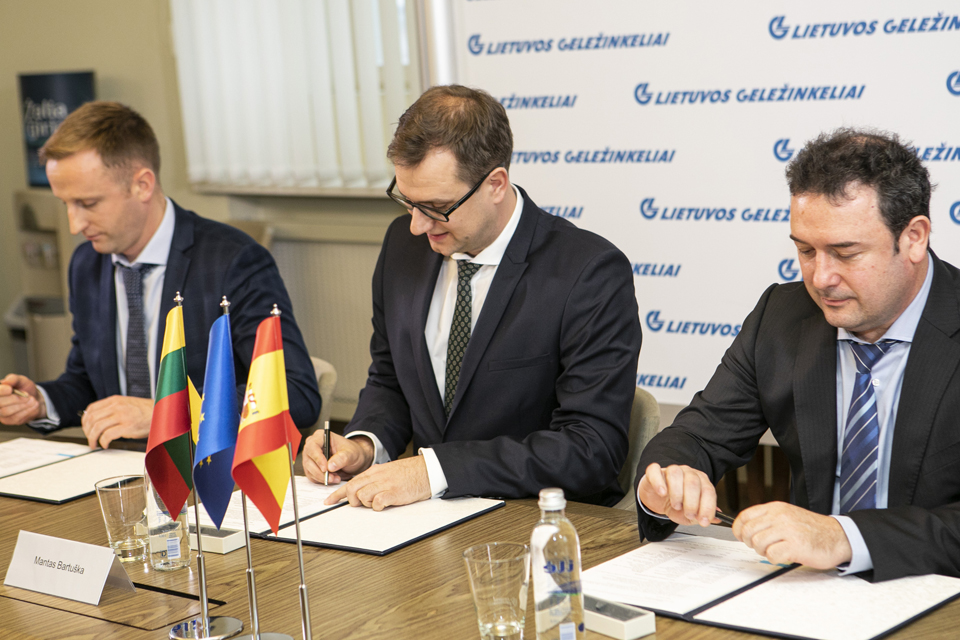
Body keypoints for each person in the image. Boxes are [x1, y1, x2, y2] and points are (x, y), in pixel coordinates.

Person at [636, 127, 960, 582]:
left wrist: (844, 538)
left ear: (914, 237)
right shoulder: (782, 316)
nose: (821, 277)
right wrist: (667, 479)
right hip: (806, 592)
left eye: (845, 252)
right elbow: (699, 436)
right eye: (806, 250)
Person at [302, 85, 642, 510]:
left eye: (437, 206)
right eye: (407, 201)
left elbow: (591, 448)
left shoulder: (587, 272)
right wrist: (364, 445)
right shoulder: (403, 246)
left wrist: (435, 471)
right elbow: (391, 379)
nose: (417, 225)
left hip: (539, 520)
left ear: (495, 184)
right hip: (423, 518)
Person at [0, 101, 320, 448]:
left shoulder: (233, 260)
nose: (74, 225)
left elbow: (294, 392)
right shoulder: (87, 265)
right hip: (117, 466)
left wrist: (167, 413)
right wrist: (41, 402)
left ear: (142, 185)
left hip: (206, 467)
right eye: (66, 204)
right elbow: (91, 384)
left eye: (88, 204)